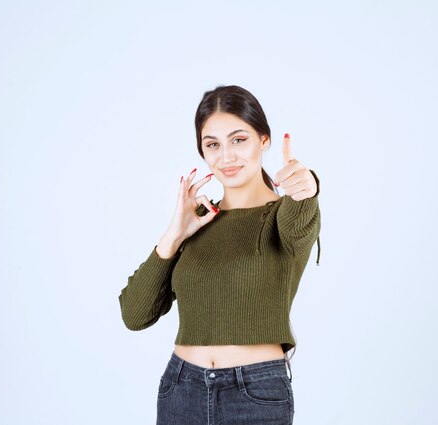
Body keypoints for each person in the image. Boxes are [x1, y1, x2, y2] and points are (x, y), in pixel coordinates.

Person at [118, 84, 321, 425]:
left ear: (264, 140)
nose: (226, 156)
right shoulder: (198, 221)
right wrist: (174, 234)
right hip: (181, 390)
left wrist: (308, 186)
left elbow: (300, 220)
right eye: (213, 144)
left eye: (239, 140)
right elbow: (135, 315)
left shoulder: (282, 216)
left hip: (255, 394)